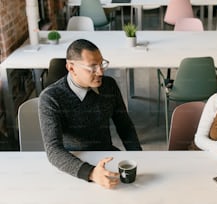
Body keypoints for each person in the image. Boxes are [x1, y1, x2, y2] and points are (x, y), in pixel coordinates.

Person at [38, 39, 142, 189]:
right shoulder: (51, 98)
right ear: (71, 68)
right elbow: (53, 150)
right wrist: (91, 173)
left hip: (107, 157)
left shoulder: (109, 86)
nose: (100, 72)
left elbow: (124, 126)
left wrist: (138, 156)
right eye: (92, 67)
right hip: (72, 164)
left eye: (101, 64)